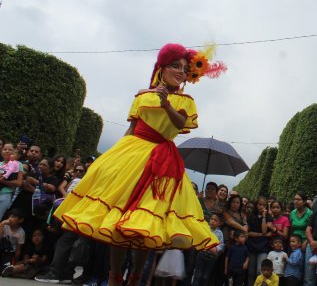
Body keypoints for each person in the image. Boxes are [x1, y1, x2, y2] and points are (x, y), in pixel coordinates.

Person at [52, 43, 225, 286]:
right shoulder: (142, 95)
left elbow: (177, 126)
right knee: (120, 220)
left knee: (147, 222)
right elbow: (132, 130)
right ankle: (114, 276)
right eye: (175, 65)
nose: (180, 71)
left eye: (184, 68)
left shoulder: (186, 100)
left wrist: (166, 103)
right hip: (132, 155)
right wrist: (111, 160)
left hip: (162, 161)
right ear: (161, 68)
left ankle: (135, 276)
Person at [192, 213, 225, 286]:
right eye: (212, 219)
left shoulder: (219, 233)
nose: (213, 221)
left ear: (219, 223)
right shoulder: (205, 228)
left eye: (215, 220)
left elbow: (221, 244)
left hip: (211, 257)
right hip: (201, 254)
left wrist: (216, 248)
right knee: (198, 275)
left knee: (205, 276)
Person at [0, 144, 23, 220]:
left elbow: (19, 183)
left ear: (14, 153)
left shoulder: (18, 164)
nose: (7, 151)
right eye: (5, 149)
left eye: (10, 150)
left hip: (6, 195)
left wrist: (2, 181)